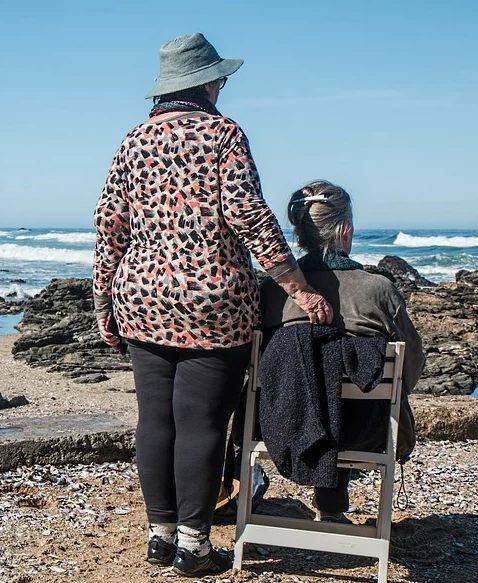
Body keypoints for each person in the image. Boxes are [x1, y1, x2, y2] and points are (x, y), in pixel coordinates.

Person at [92, 33, 332, 576]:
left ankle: (160, 535)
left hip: (142, 296)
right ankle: (193, 548)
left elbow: (109, 227)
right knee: (201, 423)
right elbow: (249, 215)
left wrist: (103, 300)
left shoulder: (133, 141)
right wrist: (298, 286)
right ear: (205, 82)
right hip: (213, 302)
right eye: (220, 79)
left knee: (154, 419)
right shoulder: (223, 134)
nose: (222, 86)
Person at [260, 179, 424, 522]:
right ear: (345, 229)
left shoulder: (273, 292)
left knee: (312, 383)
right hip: (367, 431)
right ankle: (332, 508)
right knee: (347, 396)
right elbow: (411, 364)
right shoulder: (378, 290)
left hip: (279, 425)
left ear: (301, 232)